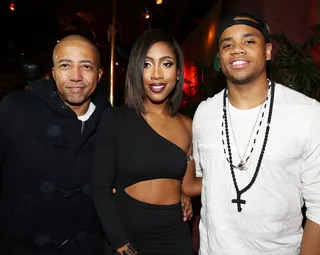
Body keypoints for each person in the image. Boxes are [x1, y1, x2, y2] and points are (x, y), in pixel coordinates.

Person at [193, 12, 320, 254]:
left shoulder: (308, 114)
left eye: (249, 41)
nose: (237, 49)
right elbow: (207, 182)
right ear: (220, 57)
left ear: (268, 51)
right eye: (227, 44)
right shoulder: (204, 114)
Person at [0, 34, 112, 254]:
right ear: (53, 73)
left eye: (86, 66)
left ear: (99, 74)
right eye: (65, 65)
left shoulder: (112, 121)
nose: (76, 76)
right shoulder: (15, 109)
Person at [93, 29, 202, 255]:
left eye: (166, 64)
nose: (156, 75)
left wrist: (235, 175)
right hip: (127, 235)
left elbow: (188, 185)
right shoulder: (115, 119)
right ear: (135, 70)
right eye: (146, 64)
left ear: (179, 71)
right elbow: (100, 189)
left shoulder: (188, 125)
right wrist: (119, 243)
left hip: (174, 234)